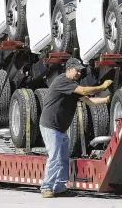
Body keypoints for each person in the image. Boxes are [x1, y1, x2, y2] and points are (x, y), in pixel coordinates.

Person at [39, 57, 113, 198]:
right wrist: (102, 87)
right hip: (50, 126)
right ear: (69, 69)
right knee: (54, 157)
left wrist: (106, 99)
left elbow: (89, 101)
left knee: (63, 157)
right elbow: (85, 91)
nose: (79, 73)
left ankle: (60, 187)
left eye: (80, 71)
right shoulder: (62, 81)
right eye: (77, 70)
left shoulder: (72, 86)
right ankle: (46, 187)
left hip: (60, 128)